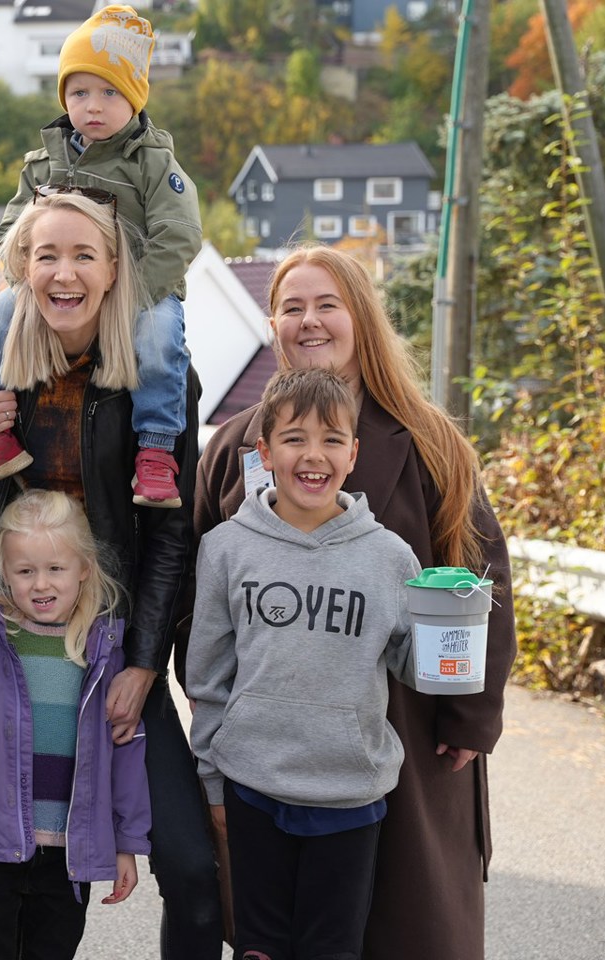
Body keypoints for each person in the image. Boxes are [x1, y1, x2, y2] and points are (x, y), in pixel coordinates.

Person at [193, 245, 517, 960]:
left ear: (361, 318)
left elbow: (480, 578)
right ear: (272, 325)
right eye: (292, 307)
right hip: (273, 744)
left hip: (406, 722)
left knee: (405, 924)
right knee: (279, 935)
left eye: (327, 304)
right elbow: (202, 594)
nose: (309, 321)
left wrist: (471, 711)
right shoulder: (233, 448)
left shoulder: (431, 443)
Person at [0, 192, 223, 960]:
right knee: (5, 863)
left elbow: (171, 534)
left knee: (194, 872)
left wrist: (142, 662)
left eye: (83, 256)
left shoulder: (159, 376)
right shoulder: (1, 361)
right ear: (23, 267)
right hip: (13, 638)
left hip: (113, 643)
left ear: (112, 269)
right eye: (46, 256)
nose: (63, 273)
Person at [188, 368, 420, 960]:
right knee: (258, 948)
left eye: (331, 439)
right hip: (252, 784)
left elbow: (412, 667)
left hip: (350, 792)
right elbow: (208, 679)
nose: (313, 455)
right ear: (264, 452)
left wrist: (451, 632)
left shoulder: (390, 558)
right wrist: (213, 780)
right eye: (294, 438)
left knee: (331, 949)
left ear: (353, 454)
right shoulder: (227, 550)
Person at [0, 4, 203, 509]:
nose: (93, 105)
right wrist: (26, 281)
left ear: (133, 99)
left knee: (159, 340)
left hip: (141, 294)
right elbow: (9, 231)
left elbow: (180, 234)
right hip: (55, 290)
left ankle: (155, 452)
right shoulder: (44, 163)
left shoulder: (153, 163)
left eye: (110, 92)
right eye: (80, 91)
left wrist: (129, 296)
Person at [0, 489, 150, 960]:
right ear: (4, 573)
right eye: (25, 571)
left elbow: (127, 750)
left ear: (83, 570)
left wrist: (126, 843)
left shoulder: (105, 651)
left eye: (55, 569)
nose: (40, 584)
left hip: (66, 860)